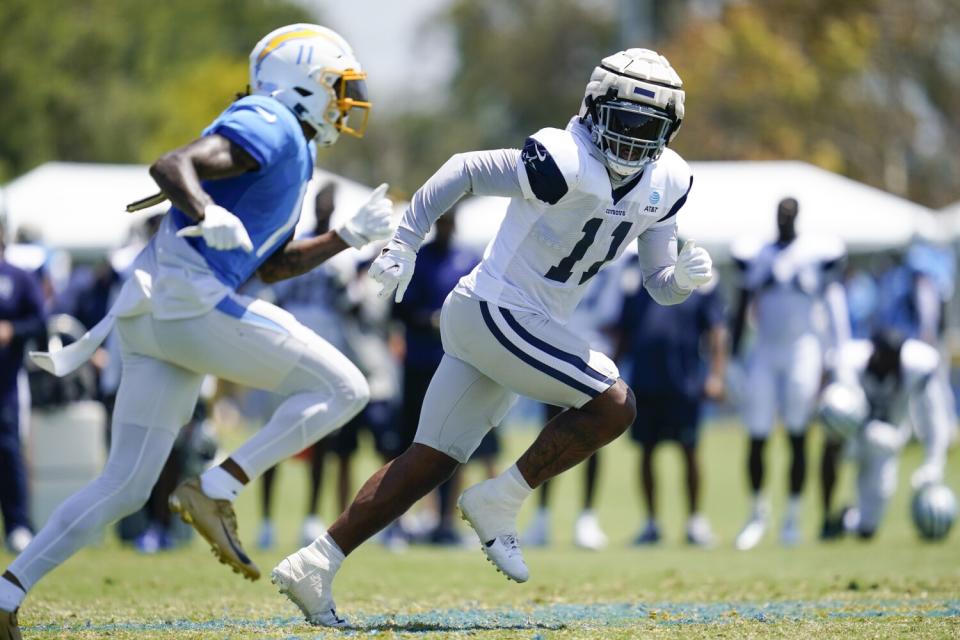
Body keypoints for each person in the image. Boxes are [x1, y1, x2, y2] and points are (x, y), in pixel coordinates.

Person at [272, 48, 713, 627]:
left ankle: (316, 561)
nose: (631, 139)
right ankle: (499, 500)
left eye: (647, 128)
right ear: (594, 107)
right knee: (613, 403)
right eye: (623, 120)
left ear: (669, 132)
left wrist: (679, 279)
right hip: (495, 310)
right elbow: (463, 168)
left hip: (518, 326)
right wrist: (404, 241)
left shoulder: (668, 181)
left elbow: (659, 284)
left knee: (429, 460)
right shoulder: (563, 158)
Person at [0, 24, 393, 638]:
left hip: (155, 315)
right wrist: (207, 210)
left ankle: (5, 591)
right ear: (304, 83)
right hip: (187, 306)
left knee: (126, 483)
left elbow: (273, 265)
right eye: (337, 90)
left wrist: (345, 238)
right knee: (346, 387)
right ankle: (216, 487)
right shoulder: (271, 119)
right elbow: (172, 164)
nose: (345, 105)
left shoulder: (293, 146)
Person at [730, 197, 850, 550]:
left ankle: (793, 518)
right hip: (765, 350)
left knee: (798, 434)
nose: (783, 220)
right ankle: (757, 514)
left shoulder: (816, 252)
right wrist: (736, 356)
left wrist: (835, 355)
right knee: (757, 434)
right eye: (779, 214)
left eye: (789, 215)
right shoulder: (757, 253)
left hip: (803, 349)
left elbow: (832, 304)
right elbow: (741, 305)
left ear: (798, 217)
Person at [392, 207, 493, 545]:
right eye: (444, 221)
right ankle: (401, 520)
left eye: (452, 221)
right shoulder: (420, 260)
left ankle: (445, 521)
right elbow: (399, 309)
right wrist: (429, 321)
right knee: (410, 444)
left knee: (453, 446)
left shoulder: (468, 260)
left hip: (456, 363)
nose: (448, 227)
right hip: (419, 363)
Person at [521, 263, 626, 550]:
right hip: (556, 349)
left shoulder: (618, 256)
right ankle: (542, 516)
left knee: (593, 438)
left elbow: (621, 314)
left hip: (595, 353)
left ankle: (586, 518)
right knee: (550, 435)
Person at [619, 267, 726, 547]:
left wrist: (716, 375)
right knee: (646, 452)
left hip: (684, 381)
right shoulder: (636, 281)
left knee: (689, 451)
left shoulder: (698, 283)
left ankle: (694, 521)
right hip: (645, 381)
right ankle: (651, 522)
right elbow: (624, 331)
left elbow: (716, 330)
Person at [820, 330, 953, 539]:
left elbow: (935, 420)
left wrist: (934, 464)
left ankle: (848, 520)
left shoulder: (918, 366)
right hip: (855, 434)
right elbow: (841, 399)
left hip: (888, 442)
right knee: (833, 432)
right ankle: (826, 516)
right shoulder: (852, 360)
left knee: (867, 529)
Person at [0, 226, 46, 555]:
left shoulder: (18, 276)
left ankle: (17, 525)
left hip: (5, 383)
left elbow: (40, 320)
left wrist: (12, 330)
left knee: (8, 451)